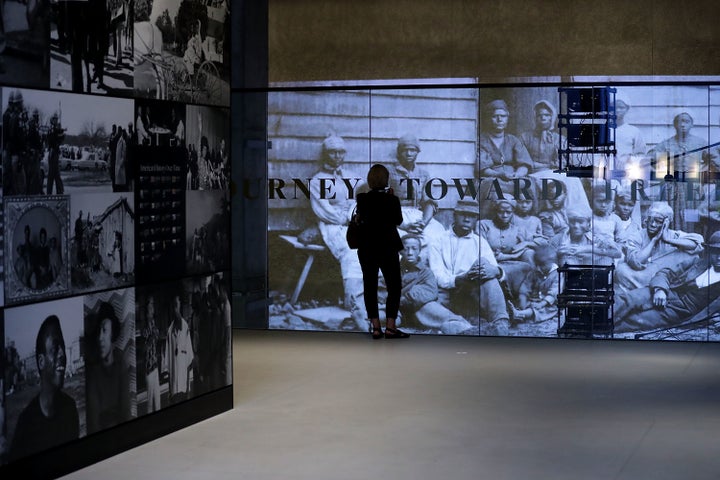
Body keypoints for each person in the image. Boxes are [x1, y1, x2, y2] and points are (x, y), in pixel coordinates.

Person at [309, 134, 369, 331]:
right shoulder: (318, 180)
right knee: (352, 252)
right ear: (325, 155)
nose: (337, 156)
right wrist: (347, 218)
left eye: (340, 152)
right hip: (333, 226)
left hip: (357, 222)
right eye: (332, 152)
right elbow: (323, 211)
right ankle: (356, 306)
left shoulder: (354, 177)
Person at [428, 199, 510, 334]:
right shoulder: (438, 240)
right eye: (463, 214)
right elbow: (437, 275)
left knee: (487, 271)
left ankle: (501, 322)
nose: (467, 219)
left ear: (476, 219)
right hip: (449, 293)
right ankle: (465, 325)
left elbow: (493, 269)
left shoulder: (480, 242)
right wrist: (461, 278)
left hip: (472, 293)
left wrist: (495, 271)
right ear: (454, 215)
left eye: (472, 216)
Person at [614, 231, 720, 334]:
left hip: (682, 310)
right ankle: (600, 319)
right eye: (716, 251)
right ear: (709, 251)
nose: (719, 257)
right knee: (630, 298)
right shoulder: (696, 262)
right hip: (669, 291)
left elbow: (711, 311)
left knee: (638, 319)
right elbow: (665, 272)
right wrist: (660, 290)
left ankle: (602, 330)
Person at [9, 316, 79, 462]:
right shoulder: (25, 425)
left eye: (62, 347)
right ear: (41, 362)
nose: (62, 354)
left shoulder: (70, 409)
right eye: (54, 349)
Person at [355, 164, 406, 339]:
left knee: (370, 286)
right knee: (394, 286)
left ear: (369, 181)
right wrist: (390, 198)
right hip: (388, 248)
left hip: (366, 248)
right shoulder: (392, 200)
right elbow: (398, 221)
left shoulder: (361, 199)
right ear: (386, 181)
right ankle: (390, 327)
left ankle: (376, 327)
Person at [614, 202, 703, 294]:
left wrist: (668, 239)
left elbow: (697, 244)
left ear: (666, 223)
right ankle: (654, 289)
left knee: (690, 256)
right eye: (651, 220)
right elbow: (637, 262)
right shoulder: (637, 236)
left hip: (665, 276)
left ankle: (657, 287)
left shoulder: (673, 235)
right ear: (646, 220)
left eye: (658, 221)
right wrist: (654, 241)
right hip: (642, 275)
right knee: (622, 270)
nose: (653, 224)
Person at [399, 235, 473, 335]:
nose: (410, 253)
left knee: (429, 306)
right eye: (406, 249)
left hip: (418, 306)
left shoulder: (425, 272)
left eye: (414, 249)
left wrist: (408, 297)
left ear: (419, 251)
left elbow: (430, 292)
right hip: (397, 311)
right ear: (400, 251)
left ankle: (462, 327)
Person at [385, 134, 445, 251]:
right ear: (399, 152)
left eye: (412, 150)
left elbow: (429, 203)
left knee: (438, 235)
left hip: (418, 216)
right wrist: (403, 226)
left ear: (417, 152)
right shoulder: (388, 173)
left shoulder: (423, 174)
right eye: (405, 150)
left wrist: (423, 223)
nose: (408, 154)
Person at [86, 301, 131, 433]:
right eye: (99, 331)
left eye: (104, 331)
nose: (100, 337)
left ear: (112, 335)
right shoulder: (93, 372)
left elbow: (126, 411)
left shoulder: (120, 364)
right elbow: (94, 423)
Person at [477, 99, 532, 181]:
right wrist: (499, 175)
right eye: (495, 116)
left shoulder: (513, 140)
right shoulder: (482, 141)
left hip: (513, 178)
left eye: (503, 116)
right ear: (489, 118)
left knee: (525, 187)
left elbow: (524, 164)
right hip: (492, 179)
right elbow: (483, 168)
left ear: (507, 118)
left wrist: (517, 174)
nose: (499, 120)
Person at [550, 206, 622, 266]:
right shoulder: (558, 239)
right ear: (568, 222)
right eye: (572, 221)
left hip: (593, 278)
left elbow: (618, 253)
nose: (576, 226)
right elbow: (548, 263)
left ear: (588, 223)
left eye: (580, 222)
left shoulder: (596, 238)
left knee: (606, 259)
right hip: (569, 280)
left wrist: (588, 249)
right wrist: (558, 253)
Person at [520, 100, 563, 173]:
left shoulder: (559, 139)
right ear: (535, 118)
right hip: (530, 173)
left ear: (551, 117)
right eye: (539, 115)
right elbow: (521, 160)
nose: (543, 118)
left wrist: (544, 166)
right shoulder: (525, 137)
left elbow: (562, 163)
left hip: (552, 173)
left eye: (546, 115)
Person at [165, 295, 194, 403]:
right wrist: (169, 389)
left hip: (183, 383)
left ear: (180, 306)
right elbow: (168, 363)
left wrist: (187, 386)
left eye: (177, 305)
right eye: (174, 306)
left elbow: (189, 359)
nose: (175, 309)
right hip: (173, 385)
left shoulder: (185, 328)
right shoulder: (170, 331)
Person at [613, 94, 647, 174]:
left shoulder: (634, 131)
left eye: (621, 107)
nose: (618, 110)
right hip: (605, 172)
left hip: (627, 173)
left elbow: (641, 153)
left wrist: (629, 160)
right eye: (615, 107)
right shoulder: (604, 130)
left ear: (627, 109)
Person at [143, 297, 161, 413]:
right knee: (149, 403)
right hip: (149, 369)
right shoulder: (145, 326)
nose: (153, 307)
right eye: (151, 304)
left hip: (155, 365)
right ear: (147, 308)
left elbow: (156, 340)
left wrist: (156, 335)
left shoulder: (153, 323)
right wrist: (152, 337)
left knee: (158, 400)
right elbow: (144, 348)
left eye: (153, 304)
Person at [46, 113, 65, 194]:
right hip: (53, 151)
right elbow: (52, 140)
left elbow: (61, 137)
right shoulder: (52, 128)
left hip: (55, 152)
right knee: (52, 174)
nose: (56, 120)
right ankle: (51, 191)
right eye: (55, 119)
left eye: (56, 119)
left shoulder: (55, 128)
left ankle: (59, 190)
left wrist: (61, 132)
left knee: (56, 173)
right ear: (52, 120)